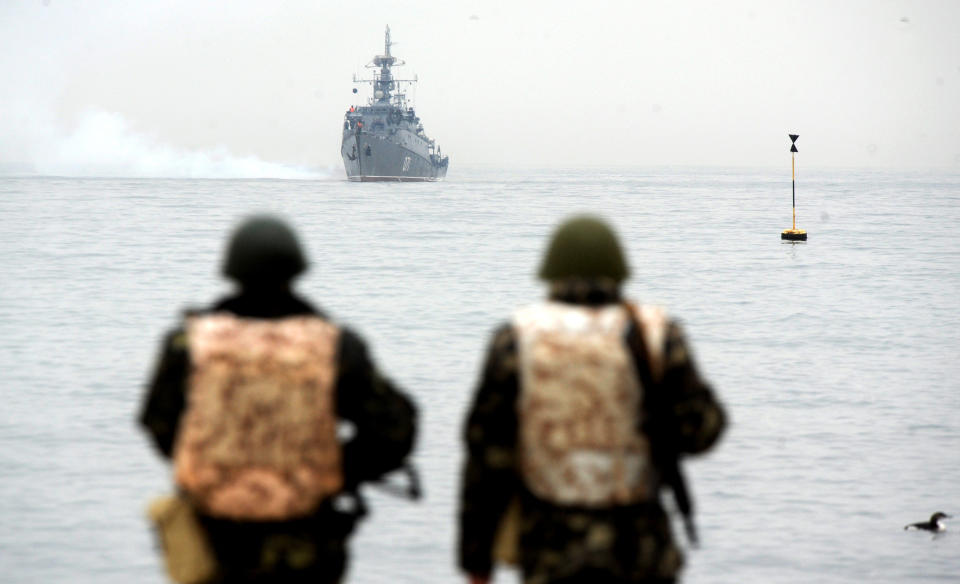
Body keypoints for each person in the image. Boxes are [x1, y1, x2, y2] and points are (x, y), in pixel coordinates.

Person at [140, 215, 417, 583]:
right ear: (298, 270)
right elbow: (395, 429)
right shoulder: (333, 346)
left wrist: (215, 469)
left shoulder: (190, 345)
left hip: (214, 545)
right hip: (306, 547)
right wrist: (335, 472)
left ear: (231, 270)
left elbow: (158, 422)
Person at [458, 215, 725, 584]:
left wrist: (477, 558)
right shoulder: (656, 335)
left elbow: (486, 457)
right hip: (641, 554)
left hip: (551, 554)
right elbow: (703, 431)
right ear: (619, 272)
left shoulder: (515, 340)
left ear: (551, 273)